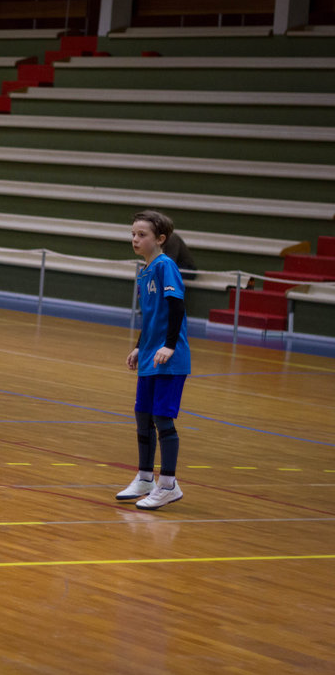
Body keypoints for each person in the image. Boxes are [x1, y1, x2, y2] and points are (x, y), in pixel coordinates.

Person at [116, 209, 190, 510]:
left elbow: (176, 307)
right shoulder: (144, 271)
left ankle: (168, 484)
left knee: (162, 419)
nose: (135, 239)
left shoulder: (165, 266)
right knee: (143, 416)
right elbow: (151, 316)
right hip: (149, 355)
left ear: (160, 238)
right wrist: (139, 346)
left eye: (142, 234)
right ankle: (145, 477)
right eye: (133, 234)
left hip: (169, 358)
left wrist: (169, 345)